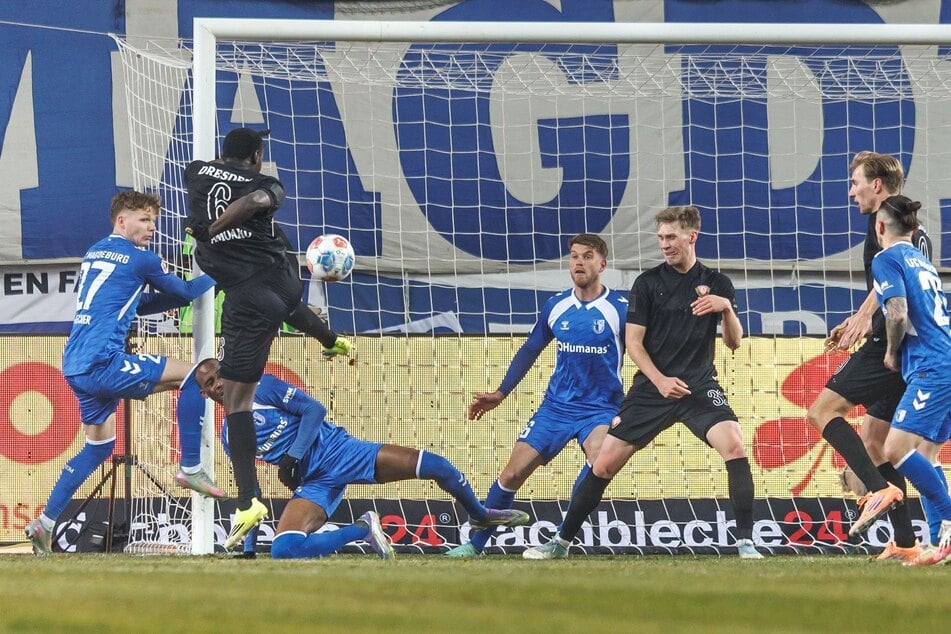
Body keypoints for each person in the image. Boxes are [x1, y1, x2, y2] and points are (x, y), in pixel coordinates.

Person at [523, 205, 762, 560]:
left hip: (697, 387)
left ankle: (746, 543)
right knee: (603, 464)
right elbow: (633, 344)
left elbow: (734, 342)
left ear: (691, 237)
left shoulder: (717, 283)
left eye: (671, 237)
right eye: (661, 237)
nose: (664, 244)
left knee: (735, 446)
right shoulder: (648, 284)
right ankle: (561, 542)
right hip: (653, 389)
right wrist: (661, 381)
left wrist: (725, 308)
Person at [25, 191, 225, 555]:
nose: (152, 227)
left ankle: (46, 522)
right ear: (122, 220)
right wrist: (219, 273)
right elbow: (183, 290)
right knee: (198, 374)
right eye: (144, 219)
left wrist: (188, 291)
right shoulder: (141, 259)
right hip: (104, 361)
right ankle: (191, 467)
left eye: (154, 221)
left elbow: (142, 303)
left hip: (76, 363)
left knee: (99, 446)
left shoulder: (96, 251)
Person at [184, 127, 355, 548]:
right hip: (282, 284)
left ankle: (249, 501)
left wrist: (210, 229)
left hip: (249, 296)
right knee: (286, 303)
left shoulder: (192, 173)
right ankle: (331, 339)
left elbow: (247, 202)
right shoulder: (267, 183)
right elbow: (257, 198)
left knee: (236, 401)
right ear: (257, 156)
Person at [191, 358, 530, 558]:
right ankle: (362, 528)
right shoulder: (229, 435)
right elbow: (251, 493)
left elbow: (313, 410)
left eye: (219, 375)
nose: (218, 384)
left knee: (437, 466)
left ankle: (480, 514)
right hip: (316, 484)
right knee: (283, 549)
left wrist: (292, 457)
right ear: (206, 394)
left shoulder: (261, 387)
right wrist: (250, 548)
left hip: (343, 451)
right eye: (209, 383)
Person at [446, 233, 627, 557]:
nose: (579, 263)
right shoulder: (556, 306)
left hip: (599, 408)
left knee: (599, 461)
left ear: (603, 263)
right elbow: (531, 349)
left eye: (587, 256)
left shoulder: (620, 309)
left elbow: (641, 352)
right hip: (555, 408)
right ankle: (475, 546)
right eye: (574, 256)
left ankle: (561, 540)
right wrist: (501, 392)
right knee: (512, 473)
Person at [805, 151, 941, 561]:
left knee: (822, 411)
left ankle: (881, 492)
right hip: (906, 348)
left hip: (894, 348)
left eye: (856, 182)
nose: (851, 192)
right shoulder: (891, 223)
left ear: (877, 186)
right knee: (876, 443)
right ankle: (906, 542)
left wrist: (868, 321)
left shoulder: (902, 227)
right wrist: (860, 315)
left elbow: (894, 286)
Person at [869, 195, 951, 565]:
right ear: (914, 228)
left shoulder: (886, 258)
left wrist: (890, 351)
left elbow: (898, 314)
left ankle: (949, 519)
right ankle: (938, 544)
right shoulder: (924, 261)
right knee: (928, 454)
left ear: (880, 227)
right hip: (945, 359)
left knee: (895, 449)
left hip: (931, 366)